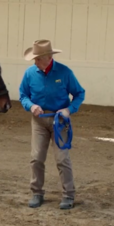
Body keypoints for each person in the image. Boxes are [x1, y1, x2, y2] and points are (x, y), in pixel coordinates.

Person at [19, 40, 86, 210]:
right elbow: (23, 95)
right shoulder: (30, 73)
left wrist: (69, 110)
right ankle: (37, 192)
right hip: (39, 121)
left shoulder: (65, 73)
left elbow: (79, 93)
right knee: (36, 158)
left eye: (37, 59)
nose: (35, 62)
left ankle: (68, 195)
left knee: (62, 158)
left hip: (60, 121)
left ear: (48, 58)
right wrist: (31, 106)